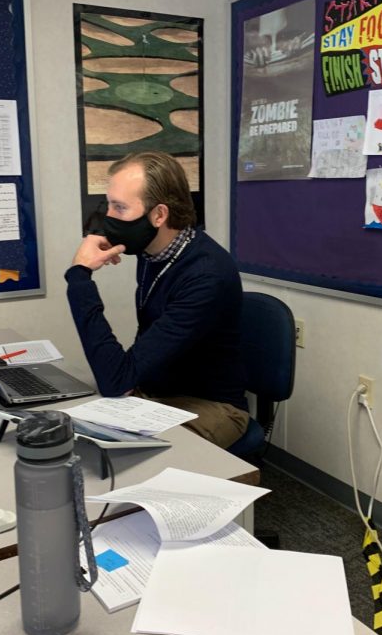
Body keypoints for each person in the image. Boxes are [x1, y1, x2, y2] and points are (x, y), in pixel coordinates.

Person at [65, 151, 249, 448]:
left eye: (119, 208)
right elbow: (125, 375)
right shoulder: (153, 252)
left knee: (124, 457)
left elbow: (116, 381)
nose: (108, 218)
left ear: (159, 215)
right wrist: (126, 381)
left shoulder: (206, 276)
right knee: (73, 434)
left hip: (213, 406)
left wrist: (79, 277)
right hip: (155, 391)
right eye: (109, 205)